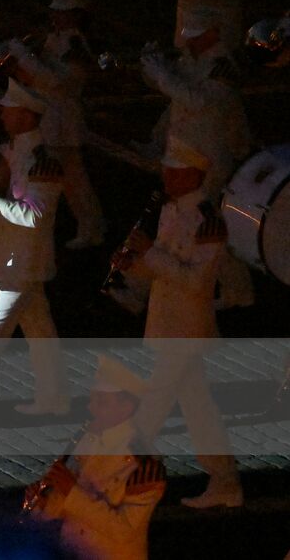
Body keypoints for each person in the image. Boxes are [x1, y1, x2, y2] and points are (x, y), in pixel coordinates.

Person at [121, 137, 243, 509]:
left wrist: (149, 254)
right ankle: (225, 483)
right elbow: (161, 270)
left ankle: (128, 473)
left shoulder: (208, 222)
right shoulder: (172, 211)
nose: (166, 178)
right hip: (170, 326)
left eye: (173, 172)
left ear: (193, 174)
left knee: (154, 407)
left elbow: (194, 282)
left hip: (186, 331)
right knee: (199, 411)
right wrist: (133, 264)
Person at [0, 79, 69, 417]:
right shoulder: (14, 153)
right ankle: (54, 398)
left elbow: (33, 216)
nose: (2, 114)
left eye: (8, 110)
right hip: (19, 261)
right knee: (39, 330)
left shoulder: (42, 161)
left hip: (23, 262)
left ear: (25, 115)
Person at [140, 7, 255, 310]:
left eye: (195, 36)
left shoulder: (221, 68)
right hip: (186, 156)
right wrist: (153, 67)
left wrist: (163, 74)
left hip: (207, 159)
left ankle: (235, 289)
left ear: (212, 34)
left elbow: (198, 100)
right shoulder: (195, 60)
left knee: (209, 225)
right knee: (191, 221)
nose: (187, 42)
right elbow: (172, 90)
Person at [27, 355, 166, 560]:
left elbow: (124, 530)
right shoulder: (85, 441)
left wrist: (71, 491)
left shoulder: (143, 463)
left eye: (101, 401)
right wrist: (41, 505)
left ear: (127, 407)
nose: (91, 407)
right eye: (92, 399)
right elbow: (62, 506)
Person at [4, 0, 106, 249]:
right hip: (52, 116)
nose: (54, 16)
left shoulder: (73, 43)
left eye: (60, 12)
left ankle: (90, 229)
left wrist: (24, 57)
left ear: (74, 15)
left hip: (61, 120)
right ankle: (90, 229)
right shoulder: (56, 39)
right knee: (62, 178)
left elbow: (56, 81)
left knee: (65, 181)